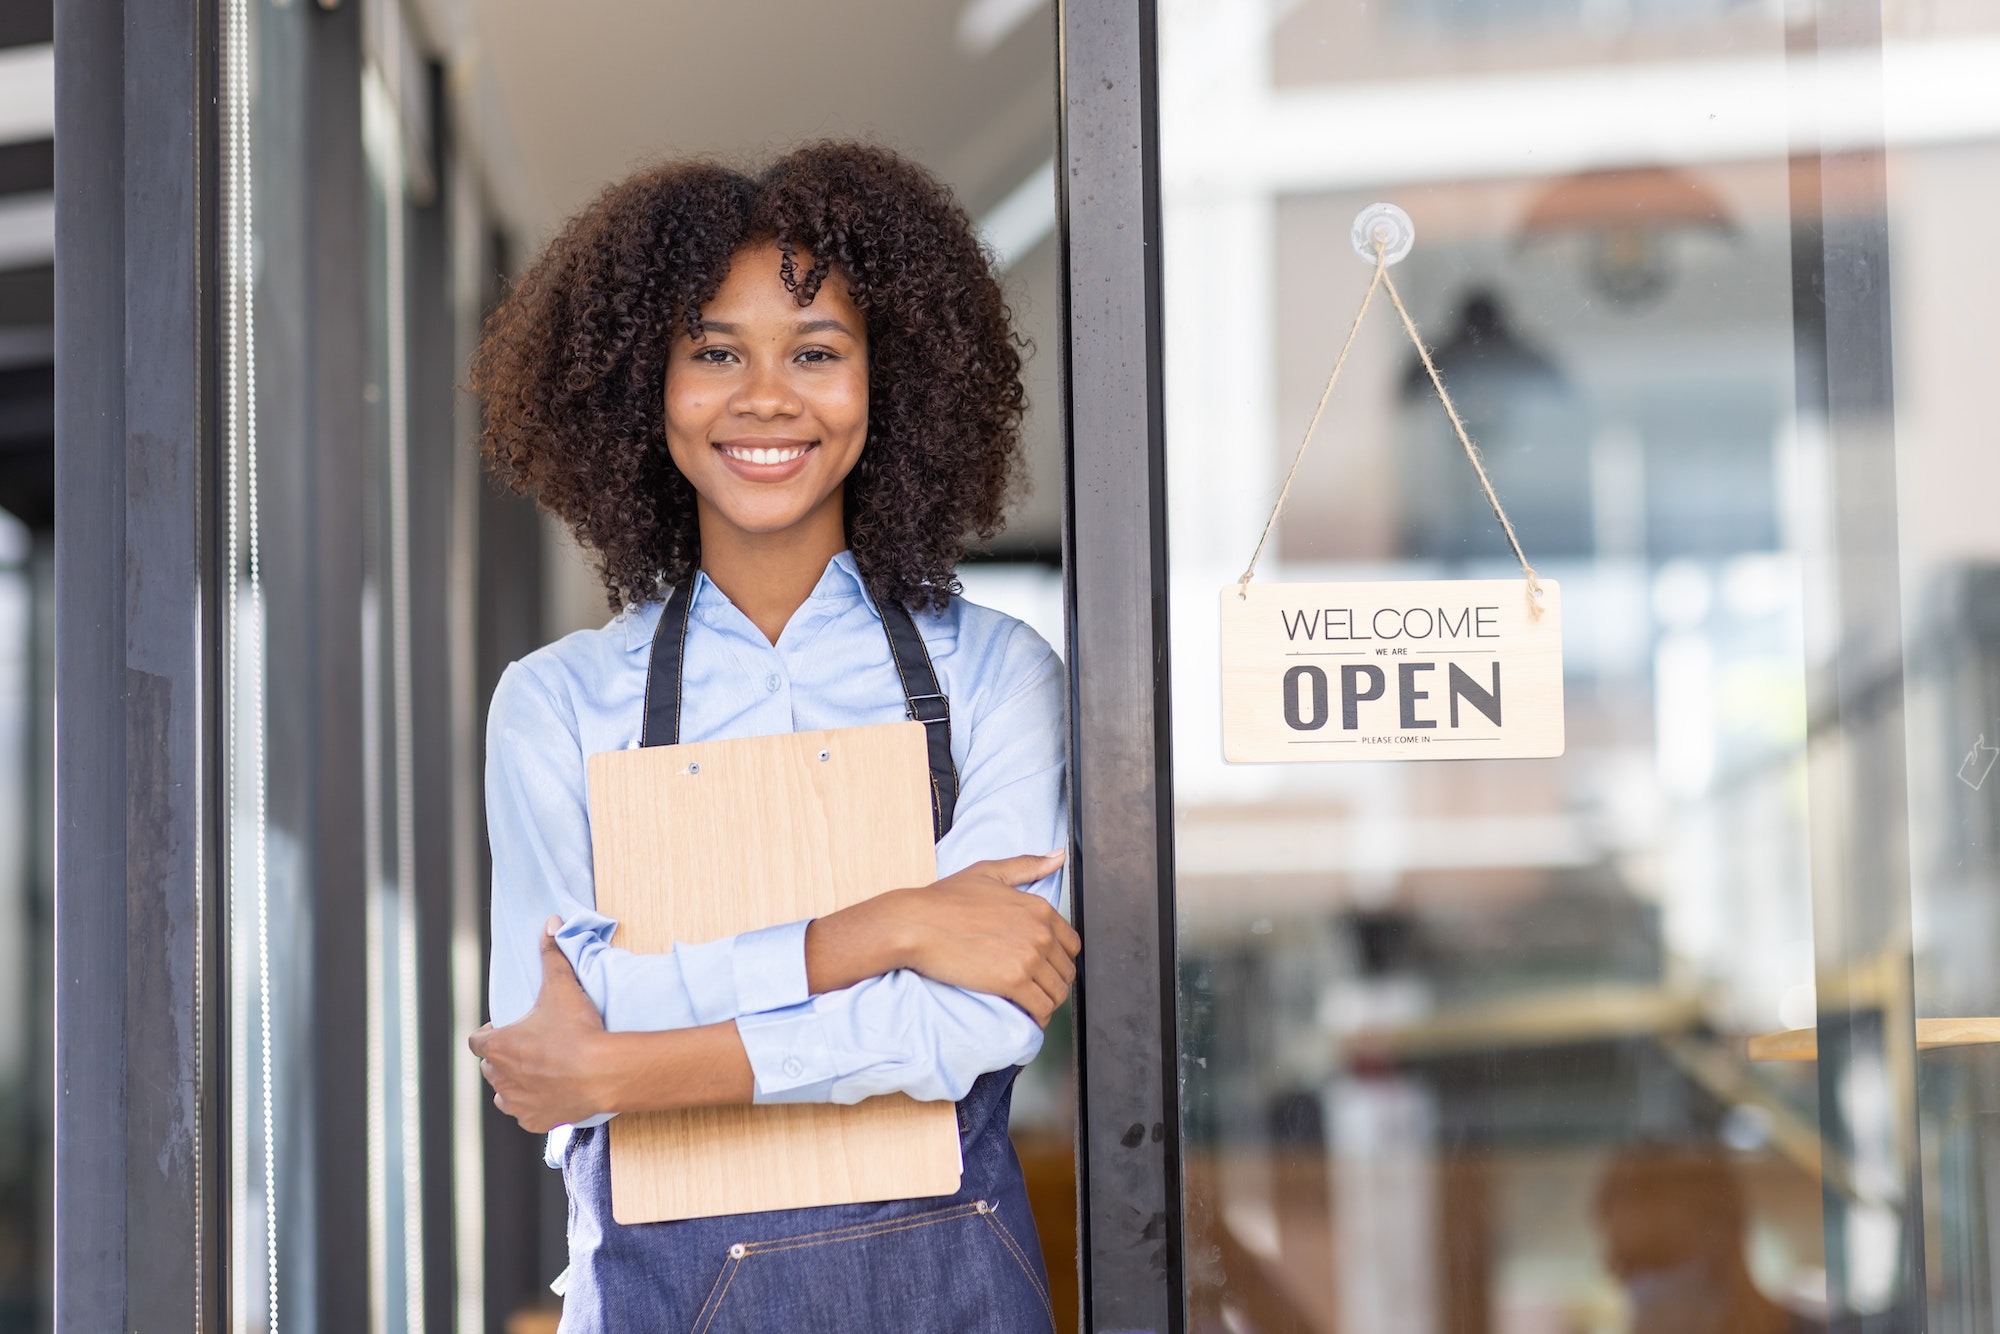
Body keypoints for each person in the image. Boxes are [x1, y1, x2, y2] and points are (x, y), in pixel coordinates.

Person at [466, 142, 1079, 1331]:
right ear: (644, 389)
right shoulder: (555, 701)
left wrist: (633, 1071)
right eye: (712, 352)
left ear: (884, 383)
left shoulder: (994, 673)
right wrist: (886, 926)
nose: (764, 395)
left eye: (815, 351)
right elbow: (554, 1023)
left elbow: (978, 1017)